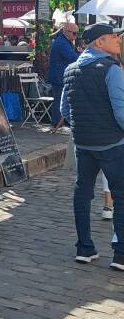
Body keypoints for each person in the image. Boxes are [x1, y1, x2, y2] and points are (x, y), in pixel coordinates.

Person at [60, 23, 124, 270]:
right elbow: (120, 112)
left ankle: (84, 247)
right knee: (120, 194)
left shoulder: (70, 69)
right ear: (99, 42)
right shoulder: (111, 69)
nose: (118, 41)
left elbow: (65, 110)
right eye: (113, 37)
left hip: (83, 143)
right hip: (112, 143)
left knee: (82, 193)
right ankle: (120, 253)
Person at [48, 20, 79, 126]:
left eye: (77, 33)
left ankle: (59, 121)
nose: (76, 35)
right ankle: (57, 123)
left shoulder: (64, 41)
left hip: (60, 75)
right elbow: (72, 57)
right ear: (66, 31)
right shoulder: (62, 43)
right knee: (59, 99)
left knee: (61, 99)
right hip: (59, 76)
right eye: (74, 33)